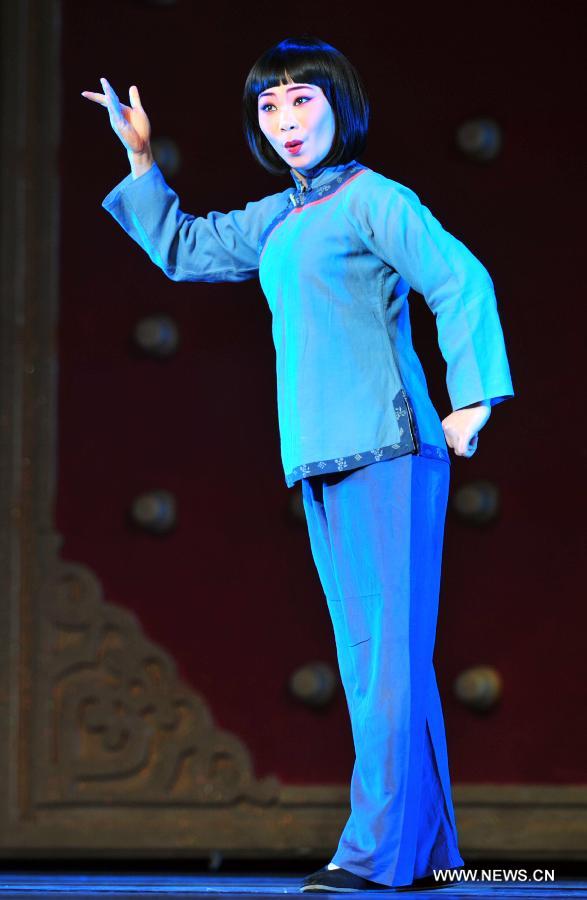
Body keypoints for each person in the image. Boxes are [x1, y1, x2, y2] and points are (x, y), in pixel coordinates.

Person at [82, 35, 514, 893]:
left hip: (390, 446)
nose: (283, 120)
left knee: (384, 657)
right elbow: (183, 247)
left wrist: (472, 397)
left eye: (301, 100)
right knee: (374, 660)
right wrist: (140, 158)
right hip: (320, 454)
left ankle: (371, 852)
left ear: (338, 106)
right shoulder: (283, 215)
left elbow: (459, 278)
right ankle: (422, 856)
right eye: (268, 107)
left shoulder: (370, 200)